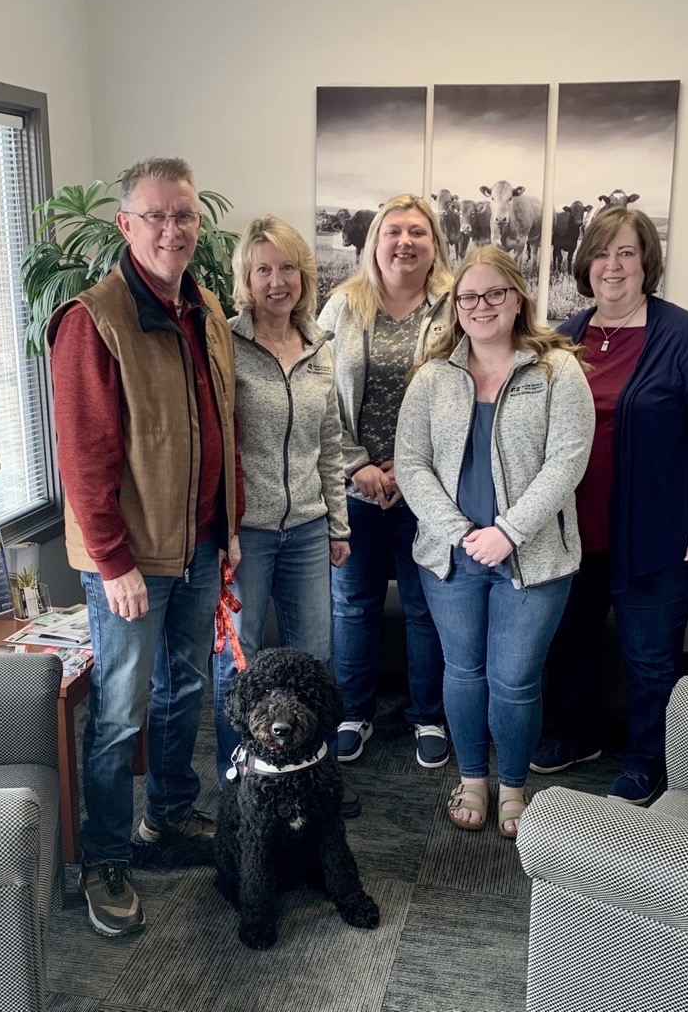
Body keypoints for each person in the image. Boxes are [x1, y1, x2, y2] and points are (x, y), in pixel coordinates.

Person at [47, 157, 243, 937]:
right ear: (125, 225)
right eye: (156, 216)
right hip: (130, 561)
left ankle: (166, 819)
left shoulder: (206, 307)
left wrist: (228, 527)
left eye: (185, 215)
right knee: (121, 711)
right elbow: (85, 457)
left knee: (182, 693)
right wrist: (113, 561)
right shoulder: (91, 319)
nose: (173, 230)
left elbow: (225, 429)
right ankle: (104, 857)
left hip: (197, 547)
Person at [532, 207, 688, 805]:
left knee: (649, 658)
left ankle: (649, 760)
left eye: (627, 252)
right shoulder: (563, 336)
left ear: (647, 260)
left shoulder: (683, 336)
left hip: (658, 532)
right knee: (568, 640)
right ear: (584, 264)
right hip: (573, 530)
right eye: (601, 252)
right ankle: (577, 735)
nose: (613, 266)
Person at [395, 245, 595, 837]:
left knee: (514, 679)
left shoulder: (559, 369)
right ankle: (473, 779)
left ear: (517, 299)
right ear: (455, 307)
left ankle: (512, 787)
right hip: (451, 558)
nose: (480, 306)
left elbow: (567, 462)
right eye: (468, 297)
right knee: (463, 672)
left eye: (493, 294)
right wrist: (460, 534)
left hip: (535, 556)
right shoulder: (433, 377)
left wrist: (508, 531)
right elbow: (411, 464)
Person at [211, 215, 358, 814]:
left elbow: (330, 443)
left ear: (304, 273)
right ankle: (239, 778)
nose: (278, 281)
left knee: (314, 658)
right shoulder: (225, 343)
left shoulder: (320, 345)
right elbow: (214, 445)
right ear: (247, 277)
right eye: (264, 268)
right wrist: (219, 532)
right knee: (238, 661)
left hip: (307, 527)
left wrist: (339, 524)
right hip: (245, 532)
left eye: (288, 267)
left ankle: (311, 776)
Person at [318, 194, 452, 770]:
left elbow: (466, 395)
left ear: (435, 245)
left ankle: (428, 715)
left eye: (417, 232)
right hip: (356, 487)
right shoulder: (341, 307)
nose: (404, 242)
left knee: (426, 607)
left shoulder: (455, 307)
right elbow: (318, 395)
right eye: (393, 231)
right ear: (374, 241)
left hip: (430, 487)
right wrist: (359, 464)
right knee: (353, 603)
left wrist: (409, 466)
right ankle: (353, 710)